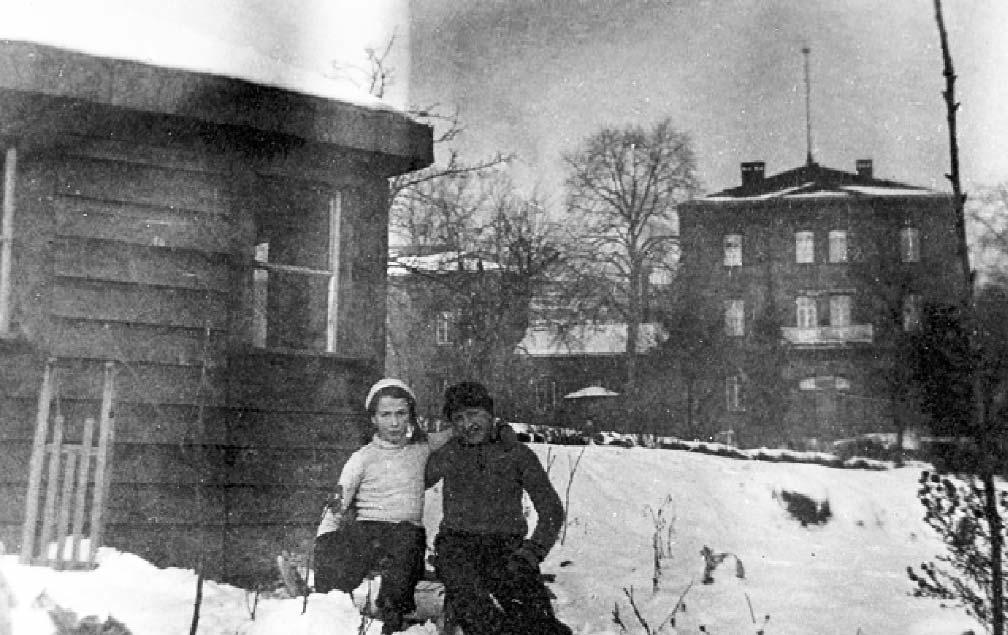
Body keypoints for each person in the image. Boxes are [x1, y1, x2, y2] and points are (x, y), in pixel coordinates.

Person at [425, 381, 572, 635]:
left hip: (504, 546)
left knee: (537, 620)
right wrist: (434, 442)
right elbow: (417, 479)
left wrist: (532, 552)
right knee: (472, 604)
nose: (466, 424)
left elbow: (552, 510)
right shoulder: (450, 453)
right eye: (457, 418)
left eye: (473, 415)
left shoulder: (516, 454)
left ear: (490, 415)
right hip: (457, 544)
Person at [314, 378, 440, 634]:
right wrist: (324, 538)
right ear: (373, 418)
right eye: (385, 415)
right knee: (340, 549)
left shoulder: (421, 449)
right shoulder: (362, 458)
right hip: (369, 530)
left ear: (411, 416)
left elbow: (456, 434)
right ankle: (328, 606)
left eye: (401, 414)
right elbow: (338, 501)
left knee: (406, 551)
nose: (394, 423)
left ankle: (392, 611)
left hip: (407, 532)